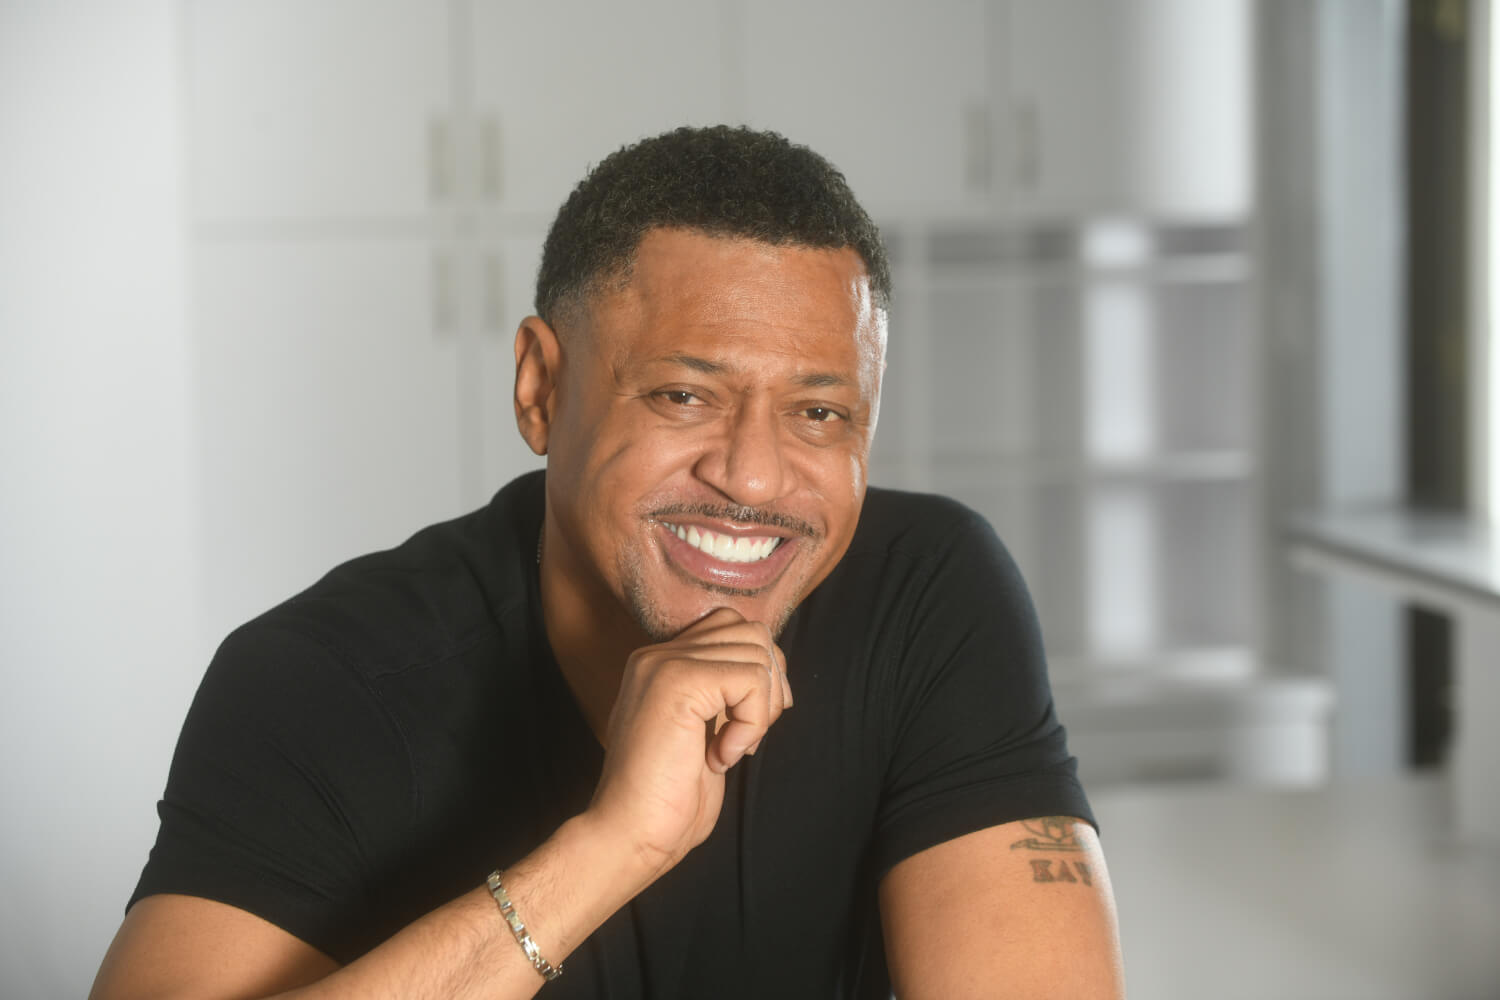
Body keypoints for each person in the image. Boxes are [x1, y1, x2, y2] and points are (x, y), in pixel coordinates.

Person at [90, 125, 1125, 999]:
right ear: (541, 389)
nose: (754, 477)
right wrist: (614, 846)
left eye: (818, 413)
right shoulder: (322, 680)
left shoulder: (926, 593)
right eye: (684, 396)